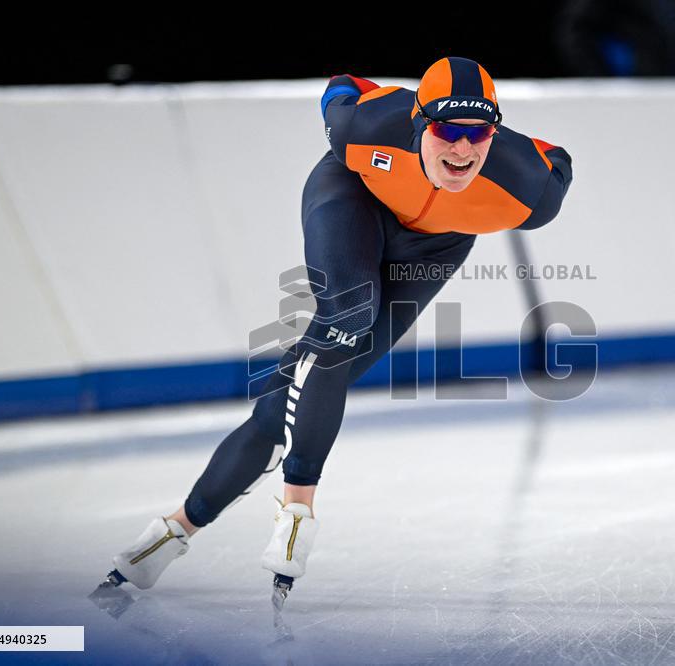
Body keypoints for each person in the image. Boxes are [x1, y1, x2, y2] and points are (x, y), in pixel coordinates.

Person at [99, 56, 573, 606]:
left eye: (478, 133)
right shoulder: (366, 126)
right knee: (347, 313)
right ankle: (299, 509)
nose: (462, 150)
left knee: (290, 402)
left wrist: (509, 145)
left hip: (434, 248)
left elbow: (558, 159)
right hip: (353, 199)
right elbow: (342, 87)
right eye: (447, 130)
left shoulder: (530, 191)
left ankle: (172, 531)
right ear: (419, 122)